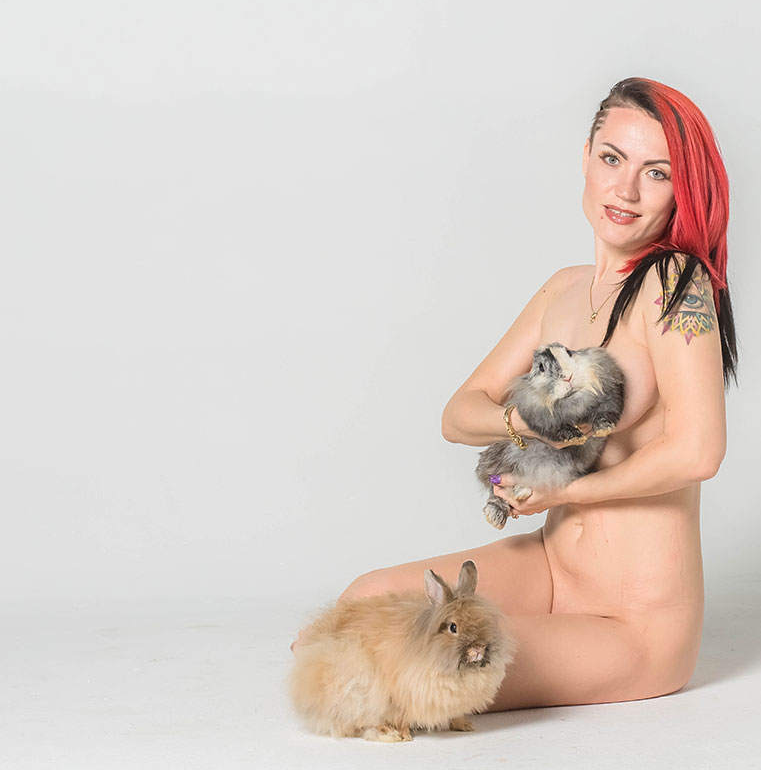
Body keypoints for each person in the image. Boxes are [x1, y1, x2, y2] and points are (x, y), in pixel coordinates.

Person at [294, 77, 738, 711]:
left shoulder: (676, 283)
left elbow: (698, 452)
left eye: (657, 173)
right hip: (550, 571)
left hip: (633, 621)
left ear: (682, 188)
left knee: (411, 664)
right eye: (612, 158)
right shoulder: (563, 289)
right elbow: (459, 415)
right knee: (363, 600)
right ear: (585, 158)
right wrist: (532, 424)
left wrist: (567, 492)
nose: (626, 190)